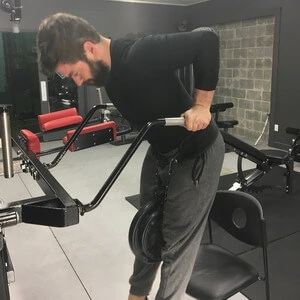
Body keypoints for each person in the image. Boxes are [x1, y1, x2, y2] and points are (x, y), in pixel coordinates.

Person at [37, 13, 225, 300]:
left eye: (75, 72)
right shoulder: (109, 73)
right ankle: (136, 297)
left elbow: (206, 40)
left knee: (175, 244)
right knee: (147, 231)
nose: (77, 82)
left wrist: (202, 105)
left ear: (89, 48)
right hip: (162, 150)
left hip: (197, 151)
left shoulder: (137, 54)